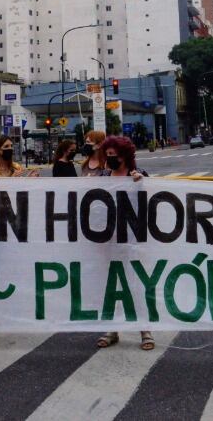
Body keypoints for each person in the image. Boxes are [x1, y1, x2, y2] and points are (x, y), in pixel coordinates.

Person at [93, 136, 153, 351]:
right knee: (111, 285)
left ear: (125, 155)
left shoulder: (139, 176)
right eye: (107, 155)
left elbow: (152, 204)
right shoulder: (104, 176)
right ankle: (112, 328)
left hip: (134, 240)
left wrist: (141, 184)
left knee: (136, 284)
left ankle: (144, 329)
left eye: (114, 155)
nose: (110, 159)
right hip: (110, 239)